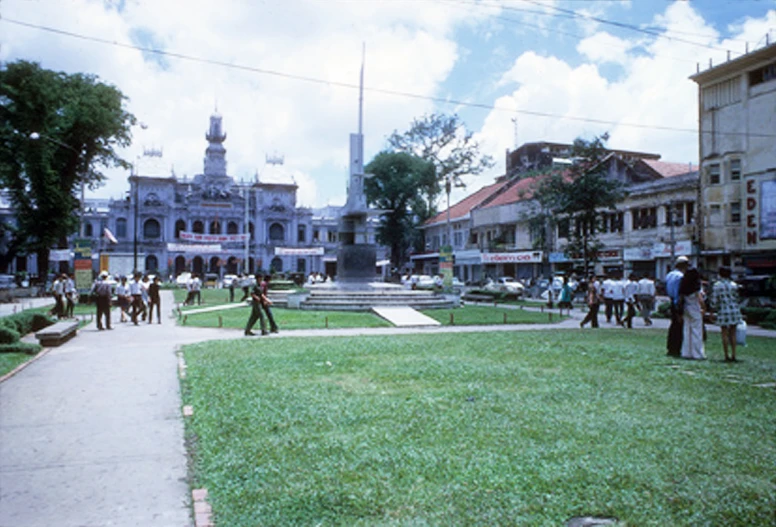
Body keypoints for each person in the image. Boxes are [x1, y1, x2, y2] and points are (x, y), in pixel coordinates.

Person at [710, 266, 742, 362]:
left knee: (724, 333)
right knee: (733, 333)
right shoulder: (734, 285)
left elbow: (714, 300)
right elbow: (737, 298)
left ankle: (726, 355)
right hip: (734, 309)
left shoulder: (717, 285)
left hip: (723, 310)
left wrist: (712, 310)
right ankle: (734, 354)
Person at [679, 267, 706, 360]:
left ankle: (686, 352)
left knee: (687, 331)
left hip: (686, 308)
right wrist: (704, 308)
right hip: (695, 308)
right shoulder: (697, 285)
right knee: (697, 332)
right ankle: (697, 353)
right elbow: (700, 299)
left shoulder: (683, 284)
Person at [665, 256, 689, 357]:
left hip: (671, 301)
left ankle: (671, 347)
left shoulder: (669, 275)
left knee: (673, 325)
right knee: (679, 327)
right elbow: (680, 293)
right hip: (678, 303)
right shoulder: (680, 277)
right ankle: (677, 348)